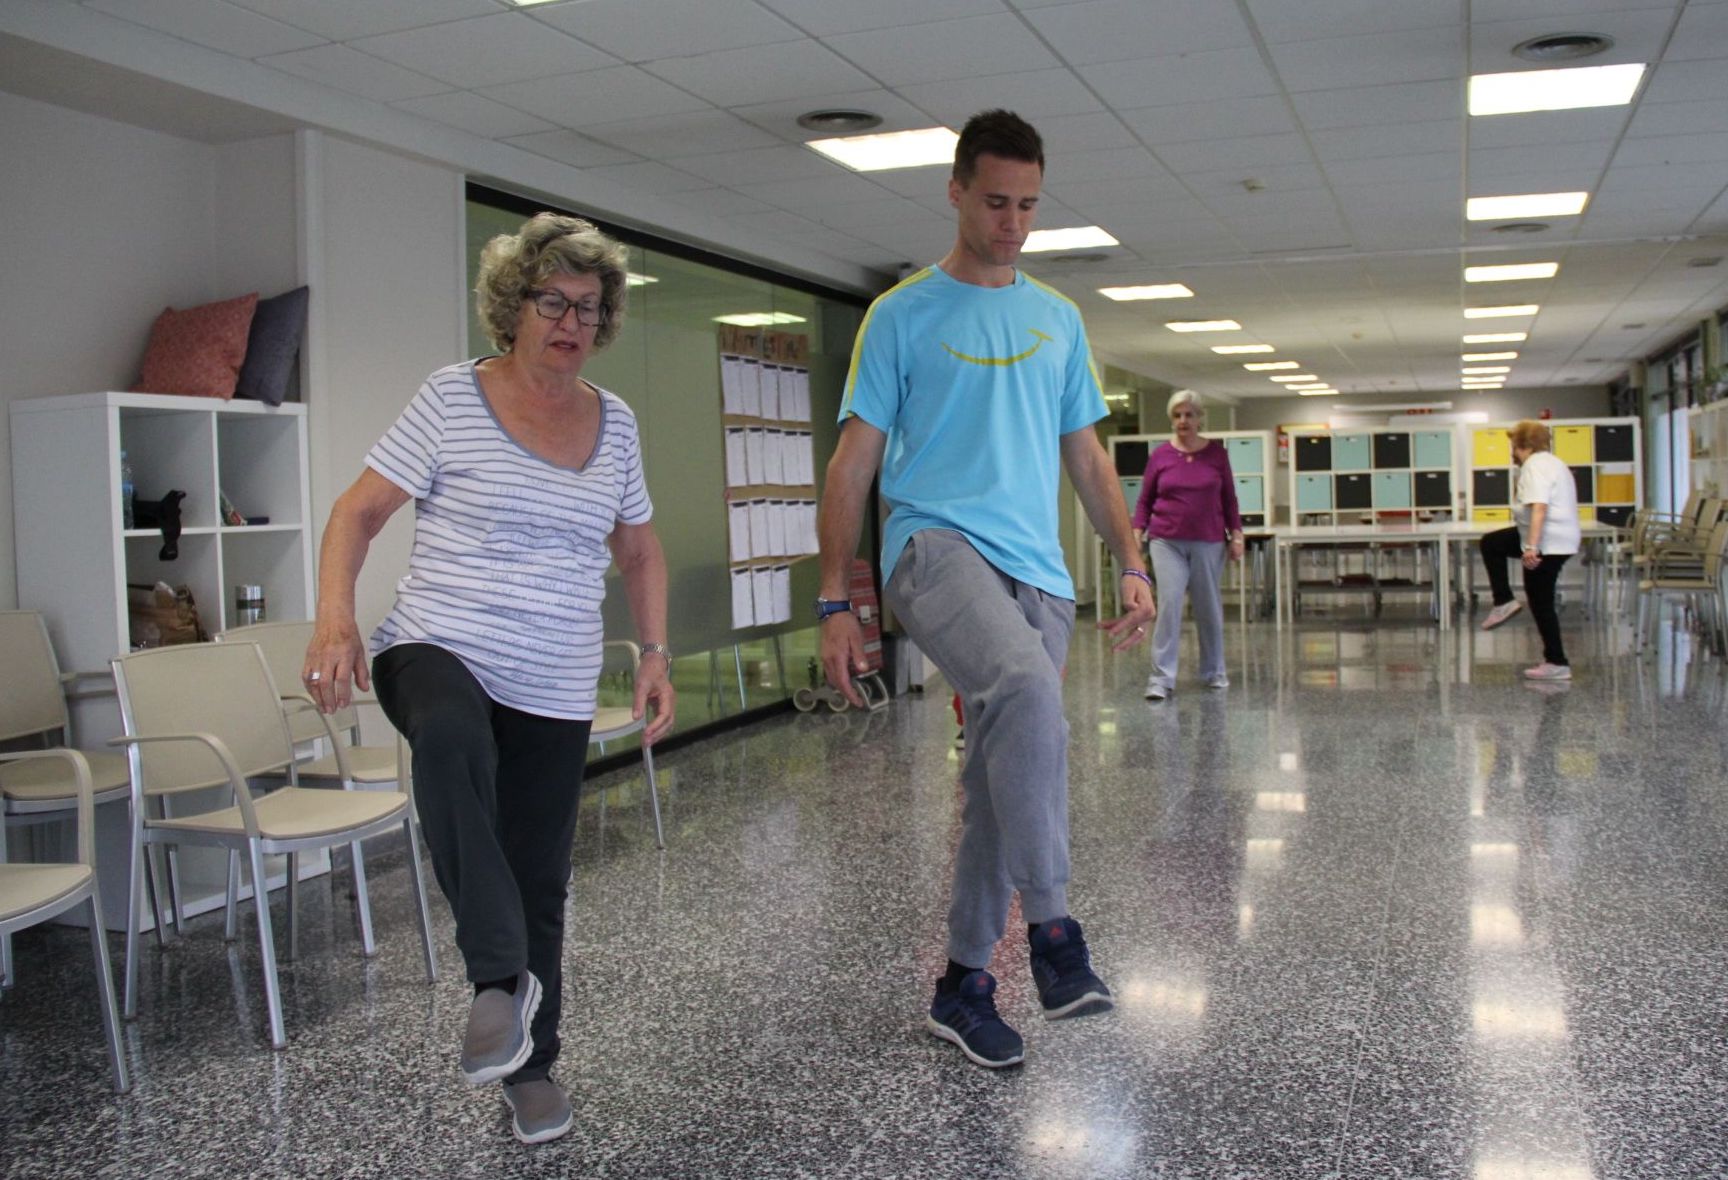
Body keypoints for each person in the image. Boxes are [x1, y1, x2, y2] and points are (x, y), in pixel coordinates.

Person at [300, 212, 674, 1145]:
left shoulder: (615, 422)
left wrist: (658, 653)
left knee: (540, 874)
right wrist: (337, 618)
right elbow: (357, 512)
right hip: (436, 644)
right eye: (552, 299)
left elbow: (637, 549)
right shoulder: (449, 397)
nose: (571, 320)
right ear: (513, 306)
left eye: (589, 306)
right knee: (453, 739)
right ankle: (497, 980)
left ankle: (532, 1066)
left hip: (552, 675)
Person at [818, 109, 1156, 1071]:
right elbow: (851, 469)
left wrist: (1129, 560)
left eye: (1028, 206)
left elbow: (1086, 456)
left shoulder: (1058, 318)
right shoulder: (901, 315)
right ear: (957, 191)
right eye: (996, 201)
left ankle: (964, 985)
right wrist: (838, 602)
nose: (1012, 222)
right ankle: (1053, 932)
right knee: (1024, 688)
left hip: (1038, 575)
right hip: (932, 549)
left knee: (998, 775)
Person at [1131, 390, 1244, 700]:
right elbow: (1145, 500)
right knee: (1169, 604)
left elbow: (1229, 499)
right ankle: (1161, 678)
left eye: (1189, 415)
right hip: (1166, 540)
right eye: (1178, 415)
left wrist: (1237, 534)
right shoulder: (1160, 456)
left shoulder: (1217, 454)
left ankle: (1214, 671)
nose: (1183, 420)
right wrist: (1137, 532)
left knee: (1208, 607)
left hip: (1208, 541)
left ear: (1199, 418)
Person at [1477, 420, 1580, 680]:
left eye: (1513, 445)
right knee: (1492, 543)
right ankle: (1504, 601)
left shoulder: (1534, 466)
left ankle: (1557, 662)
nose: (1512, 451)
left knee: (1541, 601)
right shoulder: (1554, 463)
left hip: (1547, 543)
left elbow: (1540, 507)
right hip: (1555, 538)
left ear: (1521, 445)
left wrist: (1532, 547)